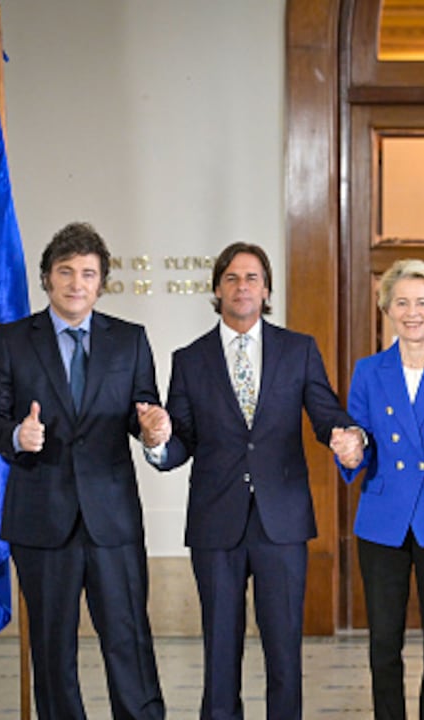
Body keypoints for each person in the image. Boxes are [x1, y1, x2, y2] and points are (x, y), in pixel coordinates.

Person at [151, 242, 361, 720]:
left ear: (266, 290)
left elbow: (325, 412)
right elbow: (180, 440)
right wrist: (158, 441)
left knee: (284, 649)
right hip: (215, 522)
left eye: (252, 278)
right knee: (220, 649)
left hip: (281, 521)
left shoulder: (299, 349)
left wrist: (348, 436)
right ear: (217, 289)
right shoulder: (190, 359)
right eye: (231, 278)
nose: (241, 286)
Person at [0, 222, 168, 720]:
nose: (76, 283)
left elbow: (142, 412)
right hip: (41, 519)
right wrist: (18, 436)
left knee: (129, 641)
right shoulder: (11, 341)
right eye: (65, 272)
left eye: (88, 273)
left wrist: (152, 431)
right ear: (46, 278)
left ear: (101, 282)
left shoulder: (129, 341)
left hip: (112, 521)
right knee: (52, 649)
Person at [330, 259, 424, 720]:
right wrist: (352, 449)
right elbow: (359, 435)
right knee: (383, 645)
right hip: (384, 519)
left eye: (422, 302)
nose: (412, 312)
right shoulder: (368, 370)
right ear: (387, 310)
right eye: (402, 302)